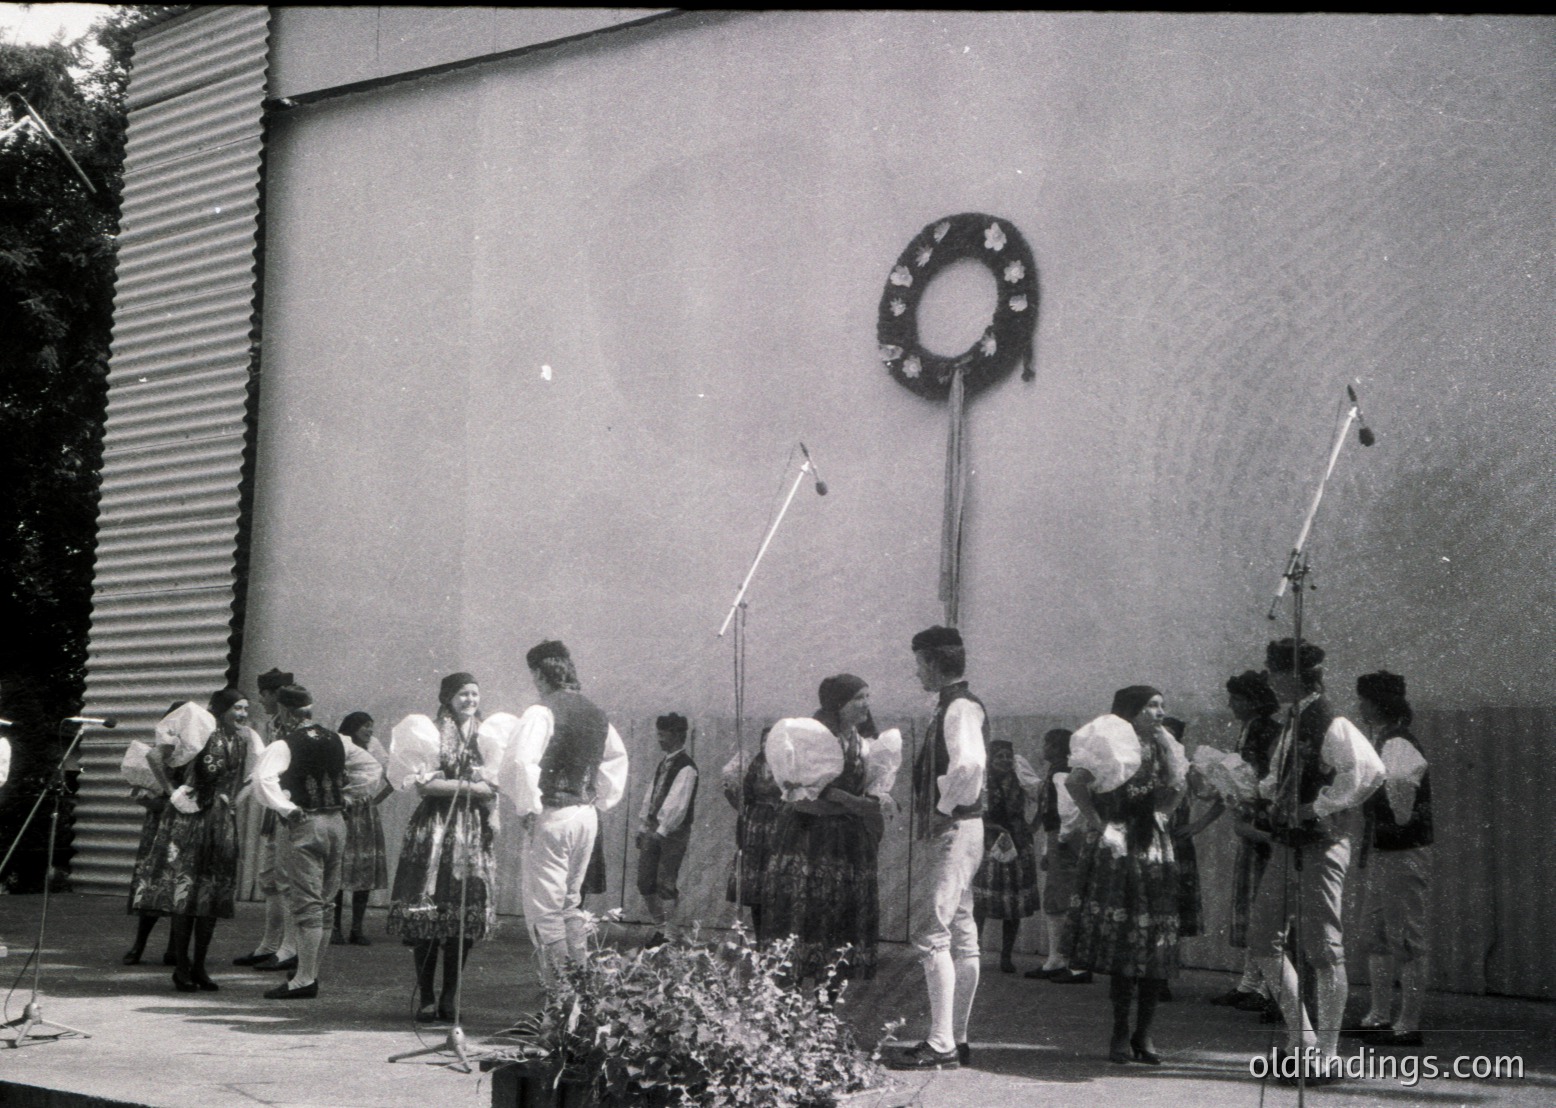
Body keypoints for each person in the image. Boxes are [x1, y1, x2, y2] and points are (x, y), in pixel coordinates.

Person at [1246, 638, 1384, 1082]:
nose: (1268, 678)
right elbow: (1278, 779)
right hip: (1289, 843)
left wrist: (1318, 806)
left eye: (1273, 670)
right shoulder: (1293, 721)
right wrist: (1255, 792)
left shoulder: (1330, 719)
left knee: (1323, 949)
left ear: (1293, 674)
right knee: (1263, 937)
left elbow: (1369, 771)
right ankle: (1302, 1037)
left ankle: (1326, 1052)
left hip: (1321, 844)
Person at [1064, 685, 1186, 1065]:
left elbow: (1177, 787)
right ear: (1130, 711)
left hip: (1153, 849)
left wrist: (1162, 814)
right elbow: (1075, 782)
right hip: (1118, 849)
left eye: (1162, 706)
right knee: (1124, 943)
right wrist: (1100, 825)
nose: (1159, 713)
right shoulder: (1109, 742)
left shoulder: (1164, 746)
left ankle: (1144, 1033)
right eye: (1151, 706)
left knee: (1152, 943)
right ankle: (1120, 1031)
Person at [887, 626, 987, 1073]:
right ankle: (956, 1039)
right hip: (968, 828)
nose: (916, 672)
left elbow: (969, 765)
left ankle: (943, 1041)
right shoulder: (955, 704)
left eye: (918, 663)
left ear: (931, 661)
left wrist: (944, 807)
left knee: (933, 934)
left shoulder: (959, 707)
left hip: (956, 829)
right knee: (961, 932)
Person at [501, 641, 629, 991]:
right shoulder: (596, 713)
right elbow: (615, 761)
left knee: (545, 912)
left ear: (541, 675)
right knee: (570, 904)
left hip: (554, 814)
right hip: (585, 815)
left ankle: (560, 1003)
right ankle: (581, 997)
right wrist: (597, 799)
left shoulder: (542, 711)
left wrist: (527, 807)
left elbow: (520, 762)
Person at [254, 684, 384, 1000]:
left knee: (306, 900)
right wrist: (348, 796)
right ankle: (310, 972)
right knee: (326, 900)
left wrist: (286, 807)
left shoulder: (285, 744)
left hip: (306, 823)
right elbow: (372, 768)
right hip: (336, 823)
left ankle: (305, 978)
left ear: (284, 711)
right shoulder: (338, 740)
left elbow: (262, 779)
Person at [131, 689, 264, 991]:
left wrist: (235, 802)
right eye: (237, 709)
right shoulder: (200, 730)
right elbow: (154, 755)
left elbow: (253, 777)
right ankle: (181, 967)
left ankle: (200, 966)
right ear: (220, 710)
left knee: (211, 893)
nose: (243, 715)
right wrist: (172, 791)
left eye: (245, 709)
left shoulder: (241, 740)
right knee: (185, 892)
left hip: (218, 819)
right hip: (188, 817)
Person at [386, 673, 500, 1019]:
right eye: (463, 694)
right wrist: (474, 786)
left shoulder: (489, 735)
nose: (470, 700)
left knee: (464, 912)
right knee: (427, 912)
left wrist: (480, 795)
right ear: (448, 698)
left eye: (474, 693)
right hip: (435, 828)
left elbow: (496, 786)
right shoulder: (430, 732)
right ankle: (426, 995)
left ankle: (451, 994)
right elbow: (424, 788)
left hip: (472, 832)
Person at [760, 674, 884, 988]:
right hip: (808, 841)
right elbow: (801, 797)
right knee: (801, 920)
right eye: (858, 698)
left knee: (837, 927)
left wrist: (857, 801)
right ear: (837, 704)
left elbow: (871, 792)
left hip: (847, 845)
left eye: (867, 696)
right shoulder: (810, 740)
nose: (866, 704)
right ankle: (785, 1015)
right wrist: (851, 803)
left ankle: (824, 1015)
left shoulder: (864, 742)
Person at [1353, 670, 1432, 1048]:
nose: (1360, 706)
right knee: (1377, 934)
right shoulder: (1383, 739)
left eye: (1365, 700)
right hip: (1387, 851)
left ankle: (1408, 1023)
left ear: (1378, 703)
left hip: (1403, 851)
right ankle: (1379, 1016)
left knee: (1407, 938)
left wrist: (1391, 824)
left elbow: (1401, 796)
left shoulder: (1396, 742)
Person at [1207, 670, 1282, 1012]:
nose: (1231, 705)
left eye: (1236, 699)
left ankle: (1266, 988)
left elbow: (1261, 779)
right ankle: (1251, 983)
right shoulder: (1251, 729)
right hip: (1252, 821)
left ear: (1253, 701)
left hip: (1264, 824)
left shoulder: (1265, 730)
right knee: (1254, 905)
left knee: (1264, 906)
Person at [233, 667, 300, 971]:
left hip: (288, 808)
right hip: (275, 811)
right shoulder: (274, 725)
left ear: (276, 695)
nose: (260, 699)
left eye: (264, 693)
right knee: (270, 878)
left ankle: (290, 948)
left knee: (286, 880)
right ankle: (270, 944)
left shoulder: (295, 727)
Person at [121, 700, 185, 968]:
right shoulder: (161, 749)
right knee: (152, 882)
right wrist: (144, 794)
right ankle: (140, 943)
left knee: (179, 883)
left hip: (181, 821)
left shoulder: (194, 751)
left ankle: (173, 948)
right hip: (159, 822)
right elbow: (142, 784)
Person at [971, 739, 1042, 975]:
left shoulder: (1020, 779)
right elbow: (974, 813)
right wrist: (994, 828)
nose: (1004, 760)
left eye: (1007, 756)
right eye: (999, 756)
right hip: (990, 845)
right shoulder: (982, 782)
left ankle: (1006, 956)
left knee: (1014, 905)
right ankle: (974, 952)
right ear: (990, 759)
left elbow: (1043, 796)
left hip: (1018, 846)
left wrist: (1033, 826)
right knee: (981, 904)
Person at [1027, 728, 1089, 983]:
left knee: (1066, 900)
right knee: (1055, 898)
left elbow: (1070, 810)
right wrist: (1047, 848)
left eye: (1046, 743)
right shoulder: (1057, 771)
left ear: (1055, 746)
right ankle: (1056, 960)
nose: (1044, 748)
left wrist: (1062, 839)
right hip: (1058, 838)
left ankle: (1076, 965)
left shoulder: (1063, 771)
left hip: (1065, 840)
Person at [636, 712, 698, 945]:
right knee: (644, 882)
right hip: (654, 829)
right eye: (658, 734)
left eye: (663, 734)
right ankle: (661, 927)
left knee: (665, 882)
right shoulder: (664, 764)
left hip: (672, 833)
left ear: (677, 735)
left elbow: (678, 805)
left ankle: (670, 935)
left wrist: (660, 831)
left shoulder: (687, 768)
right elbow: (651, 796)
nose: (659, 739)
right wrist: (644, 826)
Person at [331, 711, 390, 946]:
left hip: (364, 812)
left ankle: (357, 928)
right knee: (339, 866)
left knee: (363, 868)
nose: (369, 730)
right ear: (352, 727)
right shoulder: (339, 743)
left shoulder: (374, 746)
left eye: (371, 726)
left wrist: (374, 801)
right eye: (365, 726)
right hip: (342, 808)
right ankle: (334, 927)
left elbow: (393, 776)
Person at [724, 725, 782, 935]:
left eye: (771, 740)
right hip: (755, 828)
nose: (766, 744)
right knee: (756, 889)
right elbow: (744, 800)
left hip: (777, 827)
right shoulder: (754, 765)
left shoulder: (786, 766)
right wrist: (731, 789)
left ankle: (775, 940)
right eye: (763, 740)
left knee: (774, 886)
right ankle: (760, 939)